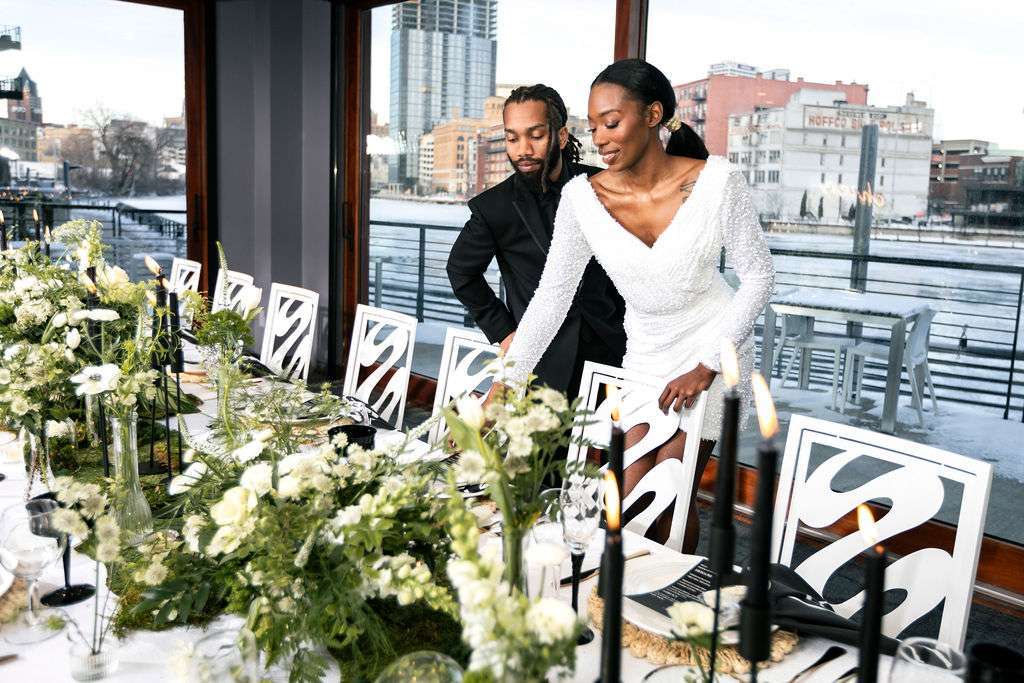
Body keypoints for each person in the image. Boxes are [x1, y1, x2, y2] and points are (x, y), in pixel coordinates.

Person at [501, 60, 776, 553]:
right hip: (645, 357)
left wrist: (706, 366)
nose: (600, 139)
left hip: (713, 349)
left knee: (671, 493)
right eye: (593, 127)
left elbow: (759, 277)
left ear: (653, 115)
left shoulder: (717, 183)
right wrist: (508, 381)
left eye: (612, 123)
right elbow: (551, 298)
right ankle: (628, 599)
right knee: (624, 497)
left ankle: (669, 608)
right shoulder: (582, 199)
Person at [447, 84, 626, 398]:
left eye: (536, 135)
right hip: (542, 360)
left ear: (560, 135)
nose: (523, 149)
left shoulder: (603, 186)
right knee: (545, 448)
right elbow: (461, 271)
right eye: (512, 137)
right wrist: (504, 333)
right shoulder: (493, 207)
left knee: (612, 447)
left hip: (614, 351)